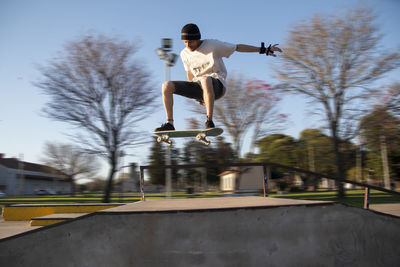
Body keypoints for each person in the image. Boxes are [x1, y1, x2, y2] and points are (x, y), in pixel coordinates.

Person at [155, 23, 282, 132]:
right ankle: (170, 124)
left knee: (205, 79)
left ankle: (209, 121)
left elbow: (237, 47)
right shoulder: (184, 54)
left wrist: (263, 50)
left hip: (218, 86)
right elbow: (190, 73)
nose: (188, 45)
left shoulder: (213, 45)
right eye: (185, 42)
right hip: (200, 87)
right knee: (166, 86)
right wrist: (196, 95)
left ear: (198, 39)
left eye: (191, 42)